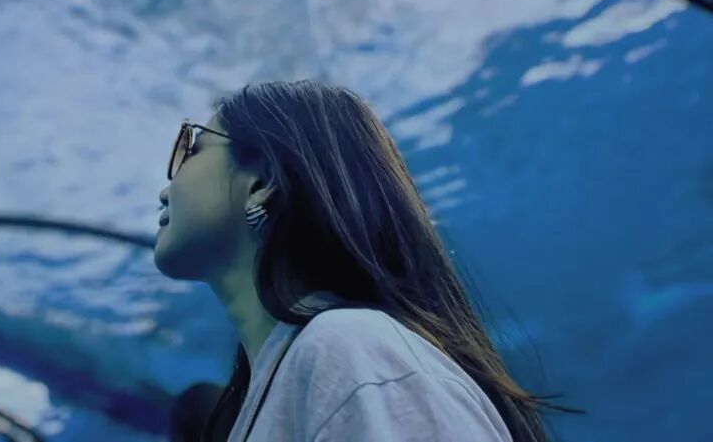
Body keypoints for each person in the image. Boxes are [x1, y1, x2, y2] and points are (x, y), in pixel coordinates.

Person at [153, 80, 584, 441]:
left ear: (261, 182)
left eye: (192, 149)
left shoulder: (348, 349)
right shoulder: (294, 381)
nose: (165, 189)